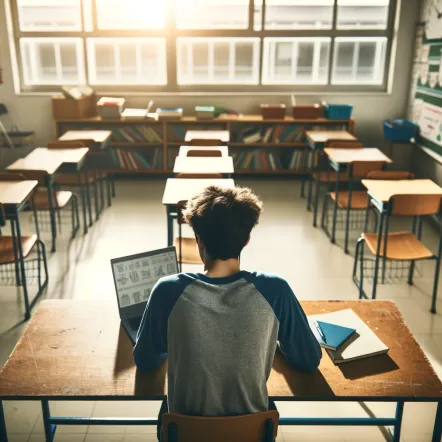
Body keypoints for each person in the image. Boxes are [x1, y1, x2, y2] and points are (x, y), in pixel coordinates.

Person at [133, 185, 322, 440]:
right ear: (246, 239)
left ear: (198, 239)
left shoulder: (167, 291)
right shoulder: (276, 290)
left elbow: (145, 361)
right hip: (251, 433)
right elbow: (308, 360)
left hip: (184, 433)